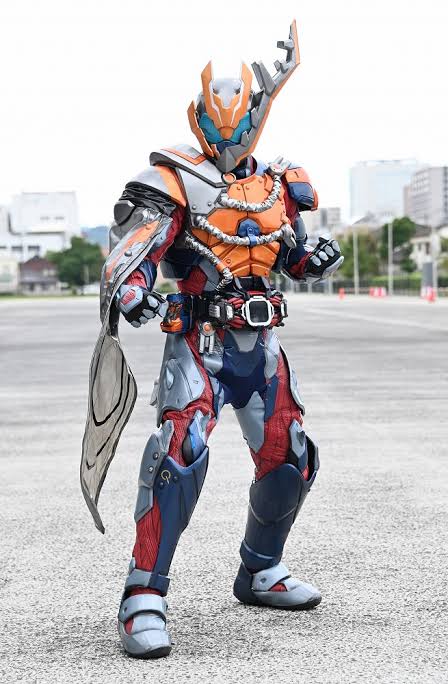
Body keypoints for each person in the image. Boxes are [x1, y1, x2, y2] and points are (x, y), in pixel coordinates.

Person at [81, 20, 343, 659]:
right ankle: (143, 593)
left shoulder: (280, 183)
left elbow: (291, 255)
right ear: (198, 117)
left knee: (292, 457)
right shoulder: (172, 177)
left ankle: (261, 569)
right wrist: (134, 289)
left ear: (256, 118)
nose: (226, 135)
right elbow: (134, 252)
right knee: (178, 456)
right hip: (200, 344)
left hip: (262, 348)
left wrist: (313, 259)